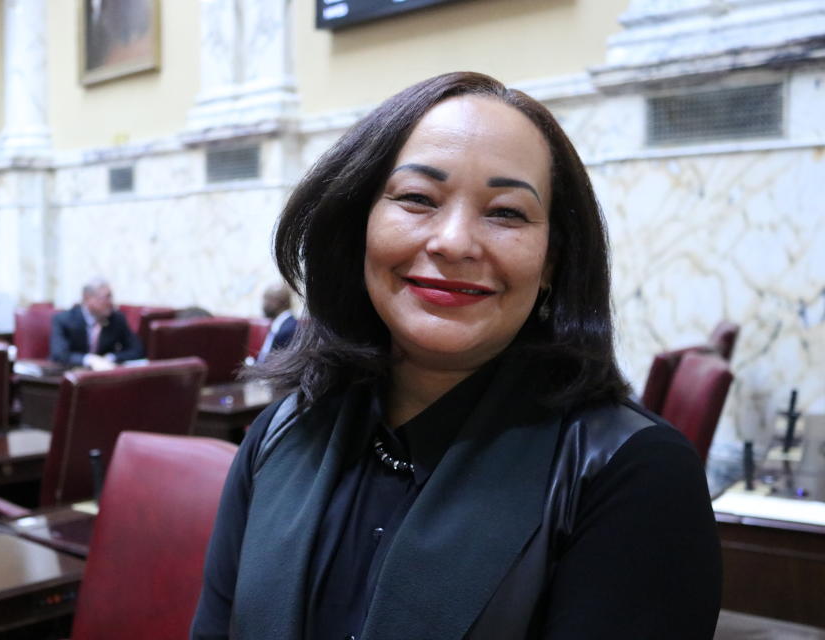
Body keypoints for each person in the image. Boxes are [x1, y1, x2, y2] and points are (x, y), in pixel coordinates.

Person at [192, 72, 721, 639]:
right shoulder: (279, 435)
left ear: (550, 264)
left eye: (506, 213)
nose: (454, 242)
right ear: (358, 229)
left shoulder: (631, 475)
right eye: (418, 199)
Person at [50, 278, 143, 369]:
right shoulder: (64, 320)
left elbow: (137, 350)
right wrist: (89, 360)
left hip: (102, 375)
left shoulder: (116, 318)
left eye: (111, 297)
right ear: (87, 298)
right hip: (69, 373)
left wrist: (111, 357)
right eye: (105, 298)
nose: (110, 302)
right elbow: (59, 355)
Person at [255, 282, 298, 362]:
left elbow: (276, 364)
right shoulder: (280, 324)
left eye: (266, 299)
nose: (263, 305)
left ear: (276, 301)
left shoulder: (288, 329)